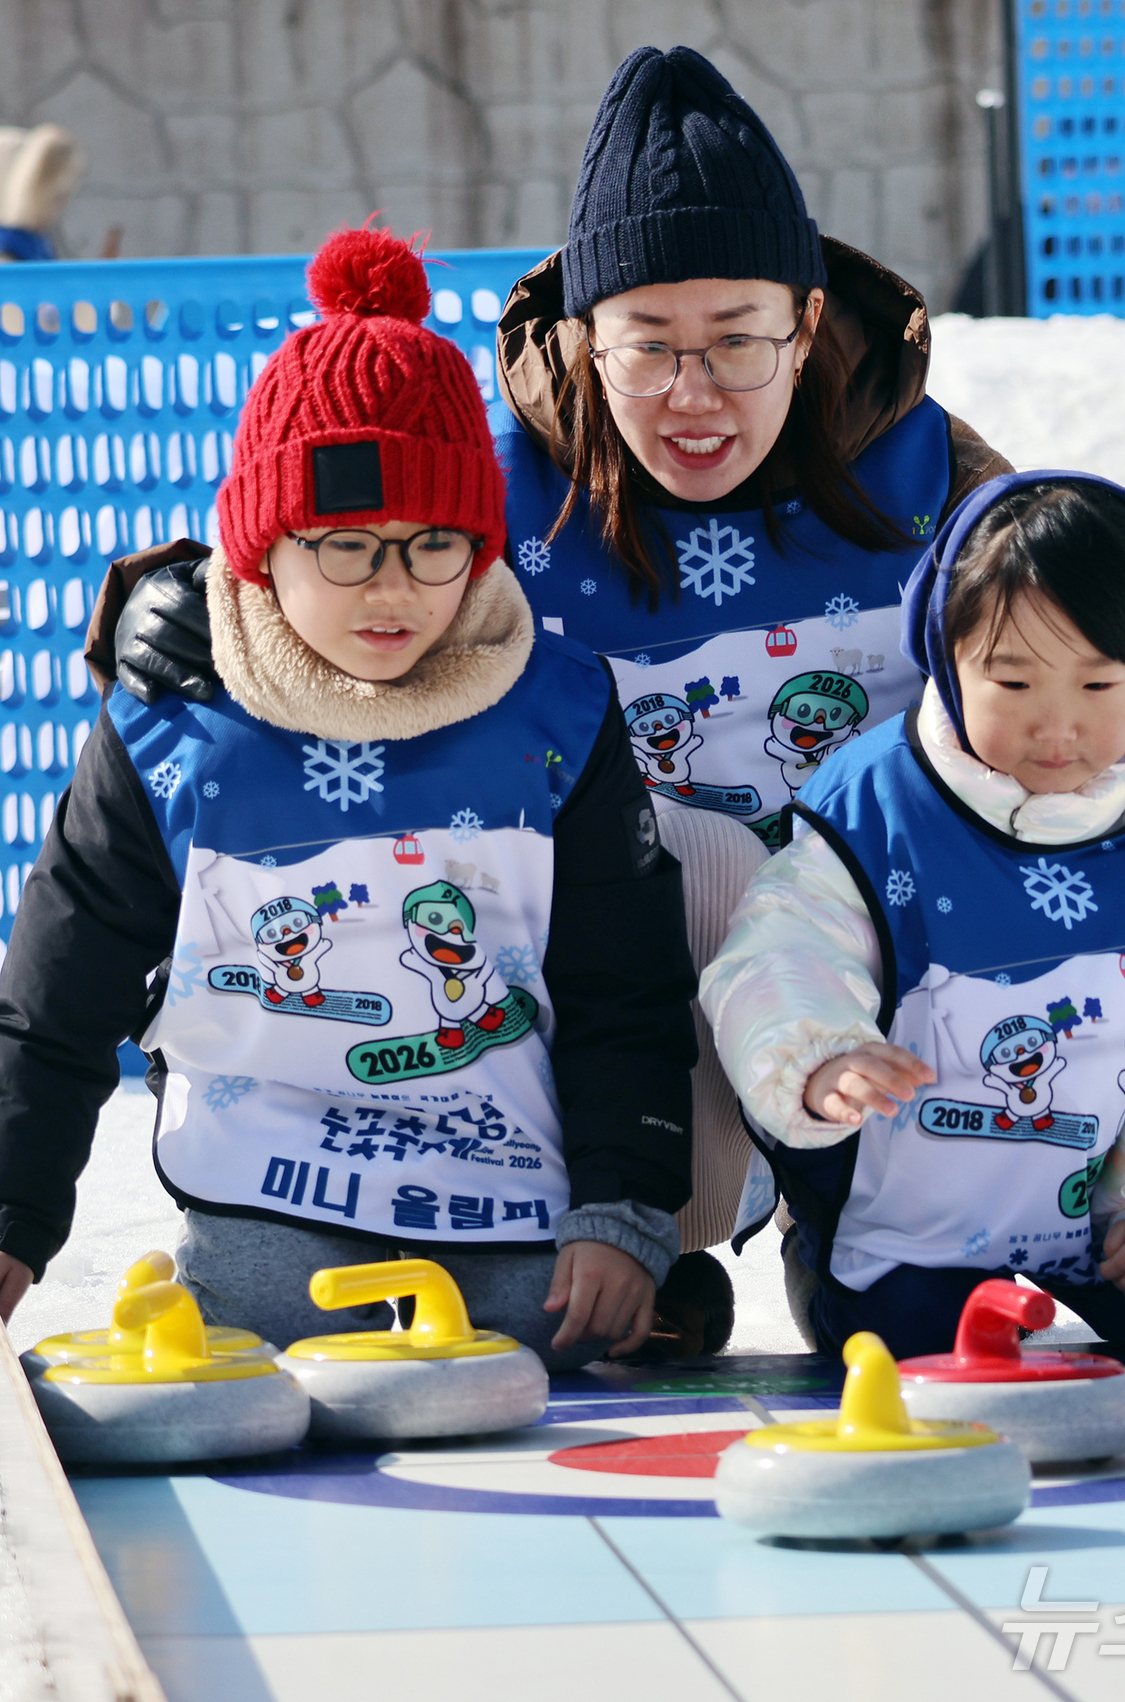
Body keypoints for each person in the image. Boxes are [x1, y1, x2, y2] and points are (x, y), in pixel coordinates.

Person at [87, 48, 1125, 1348]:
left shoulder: (914, 467)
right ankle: (598, 1225)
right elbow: (322, 559)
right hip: (593, 950)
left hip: (877, 944)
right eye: (649, 347)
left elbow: (1064, 621)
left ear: (806, 321)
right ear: (581, 339)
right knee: (673, 862)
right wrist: (177, 601)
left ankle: (901, 1219)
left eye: (738, 342)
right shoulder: (508, 481)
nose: (696, 394)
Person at [0, 228, 698, 1367]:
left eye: (432, 545)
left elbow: (622, 983)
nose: (391, 590)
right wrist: (12, 1219)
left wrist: (623, 1207)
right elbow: (56, 993)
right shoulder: (178, 723)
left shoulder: (552, 714)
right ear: (263, 546)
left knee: (536, 1331)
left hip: (496, 1179)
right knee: (251, 1326)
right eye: (343, 548)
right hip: (270, 1174)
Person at [700, 473, 1125, 1359]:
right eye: (1013, 682)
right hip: (914, 1211)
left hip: (1092, 1193)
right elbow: (782, 947)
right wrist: (818, 1058)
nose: (1058, 729)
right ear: (944, 655)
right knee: (912, 1337)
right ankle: (823, 1257)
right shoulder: (879, 807)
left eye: (1099, 686)